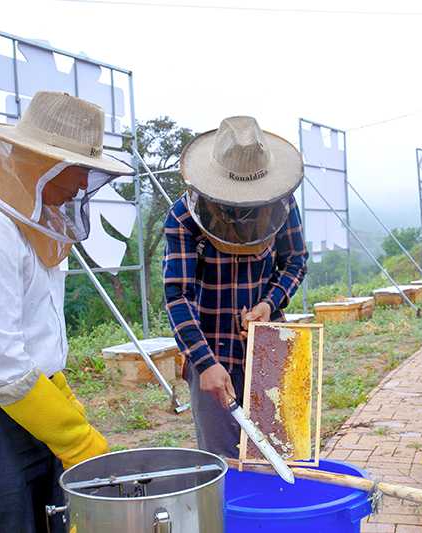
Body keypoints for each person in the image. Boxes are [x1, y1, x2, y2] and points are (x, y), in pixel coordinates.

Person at [0, 91, 132, 532]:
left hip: (28, 402)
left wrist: (62, 400)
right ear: (43, 163)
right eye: (77, 170)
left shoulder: (34, 219)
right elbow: (1, 362)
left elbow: (32, 337)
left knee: (50, 520)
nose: (80, 185)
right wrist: (76, 439)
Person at [163, 116, 308, 457]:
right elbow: (177, 294)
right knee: (224, 466)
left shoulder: (282, 206)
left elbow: (296, 261)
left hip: (269, 347)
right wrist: (204, 362)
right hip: (213, 354)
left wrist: (268, 304)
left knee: (280, 454)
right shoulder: (184, 216)